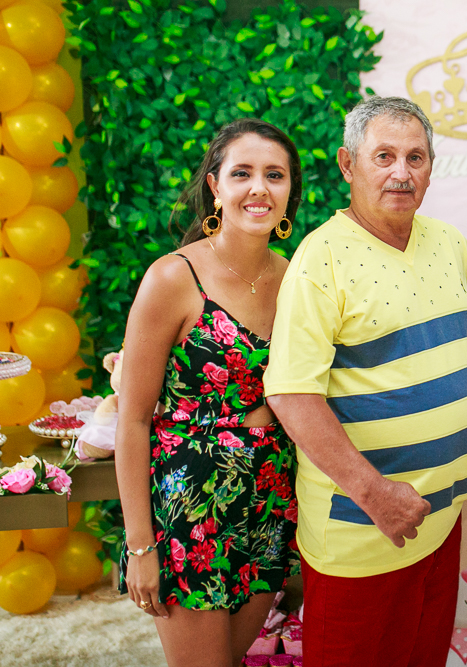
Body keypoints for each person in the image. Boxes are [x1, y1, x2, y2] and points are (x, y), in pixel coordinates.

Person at [262, 96, 467, 667]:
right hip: (363, 531)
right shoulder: (321, 259)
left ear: (431, 168)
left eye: (415, 157)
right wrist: (374, 495)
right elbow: (291, 394)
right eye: (383, 156)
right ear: (348, 164)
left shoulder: (448, 243)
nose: (401, 173)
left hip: (439, 525)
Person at [116, 118, 300, 667]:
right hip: (191, 510)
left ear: (290, 190)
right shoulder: (172, 278)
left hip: (271, 504)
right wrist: (140, 545)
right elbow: (133, 419)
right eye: (242, 173)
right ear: (216, 186)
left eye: (275, 175)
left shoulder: (298, 280)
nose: (259, 188)